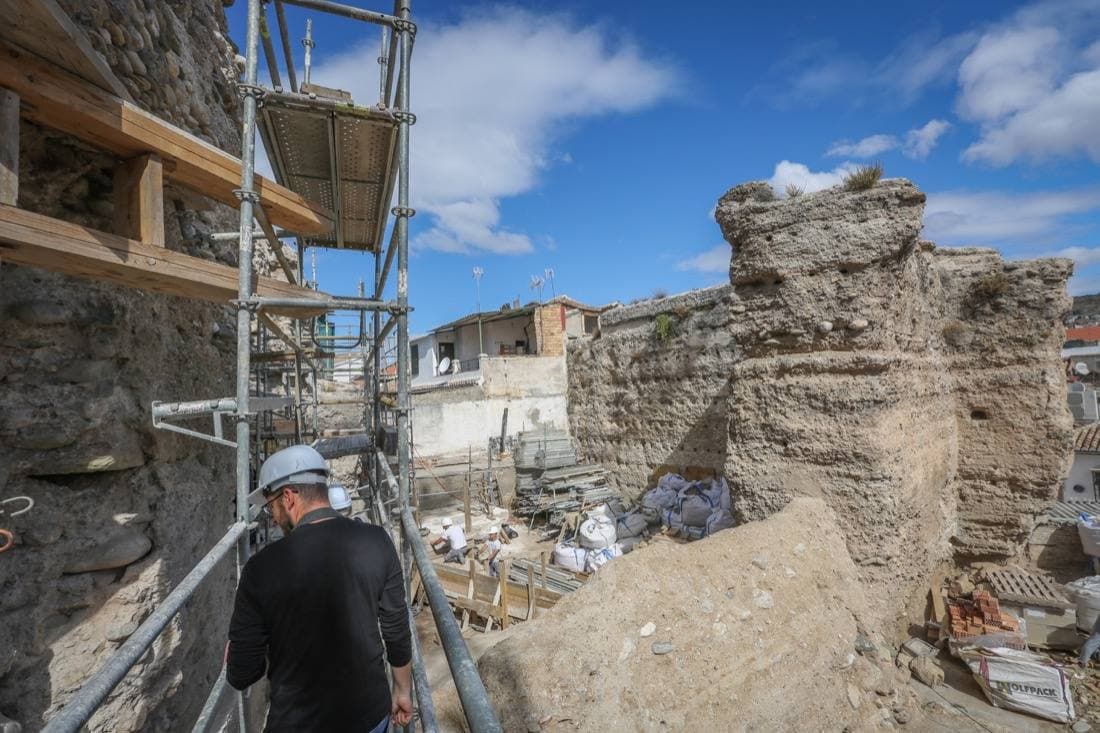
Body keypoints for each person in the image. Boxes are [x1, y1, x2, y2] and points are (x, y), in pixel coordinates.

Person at [226, 445, 413, 732]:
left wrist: (240, 650)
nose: (272, 518)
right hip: (369, 716)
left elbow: (242, 674)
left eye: (270, 507)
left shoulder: (260, 569)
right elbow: (396, 630)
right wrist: (402, 691)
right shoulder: (377, 541)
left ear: (288, 498)